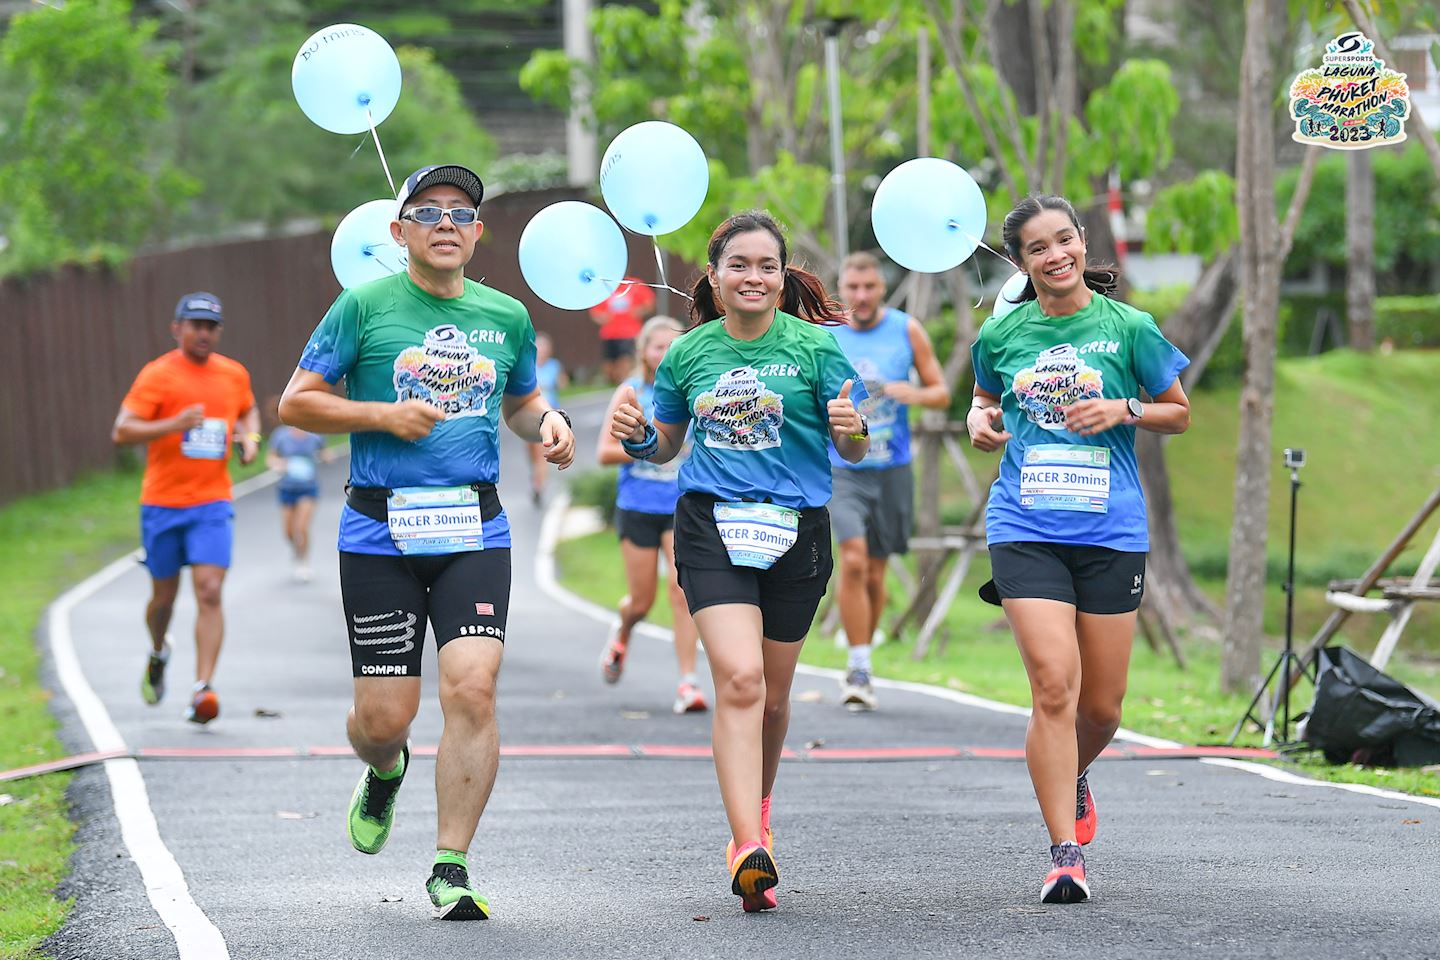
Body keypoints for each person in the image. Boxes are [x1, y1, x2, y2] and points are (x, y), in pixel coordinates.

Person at [278, 163, 576, 921]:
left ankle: (451, 863)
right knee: (384, 721)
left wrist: (547, 424)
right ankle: (386, 769)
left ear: (478, 233)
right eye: (428, 210)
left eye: (461, 212)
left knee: (473, 686)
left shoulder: (505, 316)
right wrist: (381, 415)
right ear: (399, 230)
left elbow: (521, 401)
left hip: (474, 525)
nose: (447, 222)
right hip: (379, 529)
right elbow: (296, 404)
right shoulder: (363, 307)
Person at [608, 211, 868, 913]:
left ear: (783, 279)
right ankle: (747, 843)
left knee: (776, 699)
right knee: (742, 679)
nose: (755, 277)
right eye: (740, 265)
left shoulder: (816, 349)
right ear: (715, 279)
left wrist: (855, 431)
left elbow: (853, 449)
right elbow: (664, 445)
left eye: (768, 266)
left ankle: (758, 810)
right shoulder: (689, 354)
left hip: (797, 531)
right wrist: (637, 438)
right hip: (711, 527)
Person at [967, 195, 1191, 904]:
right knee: (1053, 686)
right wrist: (982, 421)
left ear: (1081, 243)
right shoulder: (1002, 336)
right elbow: (981, 399)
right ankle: (1064, 854)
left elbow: (1179, 412)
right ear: (1021, 262)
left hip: (1110, 530)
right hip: (1025, 525)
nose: (1055, 255)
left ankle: (1072, 768)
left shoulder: (1130, 328)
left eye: (1064, 240)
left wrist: (1124, 408)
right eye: (1038, 248)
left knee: (1102, 710)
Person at [112, 291, 259, 724]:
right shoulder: (157, 375)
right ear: (177, 328)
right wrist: (173, 425)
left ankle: (202, 690)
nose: (203, 333)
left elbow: (248, 414)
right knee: (163, 598)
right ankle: (159, 652)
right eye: (195, 324)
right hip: (162, 504)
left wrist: (249, 441)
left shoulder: (233, 375)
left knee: (210, 591)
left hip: (212, 503)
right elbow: (122, 430)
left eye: (211, 326)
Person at [829, 251, 951, 710]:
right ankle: (858, 666)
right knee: (855, 560)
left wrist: (911, 392)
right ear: (841, 289)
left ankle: (864, 647)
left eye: (869, 287)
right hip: (843, 467)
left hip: (892, 467)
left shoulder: (906, 329)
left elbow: (941, 393)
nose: (860, 296)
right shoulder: (827, 334)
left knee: (877, 572)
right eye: (852, 287)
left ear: (882, 288)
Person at [595, 314, 706, 714]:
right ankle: (623, 629)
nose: (665, 352)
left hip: (679, 507)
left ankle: (688, 684)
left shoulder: (692, 388)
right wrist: (645, 444)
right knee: (642, 601)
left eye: (672, 345)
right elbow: (604, 452)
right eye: (657, 345)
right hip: (639, 506)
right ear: (643, 351)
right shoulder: (631, 392)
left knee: (682, 592)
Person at [266, 413, 326, 583]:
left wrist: (326, 457)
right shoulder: (280, 435)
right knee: (288, 532)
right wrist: (278, 464)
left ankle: (304, 561)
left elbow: (324, 452)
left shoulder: (315, 434)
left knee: (302, 527)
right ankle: (297, 550)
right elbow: (271, 457)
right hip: (286, 488)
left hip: (308, 488)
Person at [527, 331, 568, 506]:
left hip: (549, 416)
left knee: (540, 452)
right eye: (539, 348)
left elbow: (563, 383)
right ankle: (537, 478)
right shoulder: (528, 367)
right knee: (532, 454)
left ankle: (539, 486)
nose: (542, 351)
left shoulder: (554, 366)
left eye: (544, 348)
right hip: (530, 416)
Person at [590, 275, 655, 385]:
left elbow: (650, 302)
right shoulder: (604, 286)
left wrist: (639, 311)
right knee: (608, 367)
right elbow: (594, 311)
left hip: (630, 332)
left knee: (625, 360)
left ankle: (626, 383)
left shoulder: (634, 284)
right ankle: (616, 382)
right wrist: (602, 318)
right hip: (609, 334)